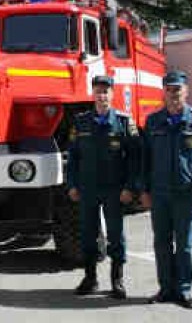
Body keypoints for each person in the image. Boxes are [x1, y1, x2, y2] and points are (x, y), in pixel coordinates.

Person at [140, 70, 192, 309]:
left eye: (178, 89)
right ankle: (165, 289)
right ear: (164, 92)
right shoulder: (153, 121)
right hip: (160, 193)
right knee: (161, 243)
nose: (173, 94)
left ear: (186, 91)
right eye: (169, 89)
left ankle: (183, 290)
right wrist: (144, 189)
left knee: (184, 245)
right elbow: (145, 159)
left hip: (185, 193)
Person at [67, 75, 140, 299]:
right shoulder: (80, 122)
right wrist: (72, 185)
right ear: (93, 94)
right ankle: (90, 279)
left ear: (113, 94)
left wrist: (130, 187)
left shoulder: (124, 122)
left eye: (106, 91)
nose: (102, 95)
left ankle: (117, 280)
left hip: (114, 189)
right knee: (87, 234)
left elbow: (135, 158)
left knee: (116, 235)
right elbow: (73, 158)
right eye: (98, 91)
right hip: (87, 188)